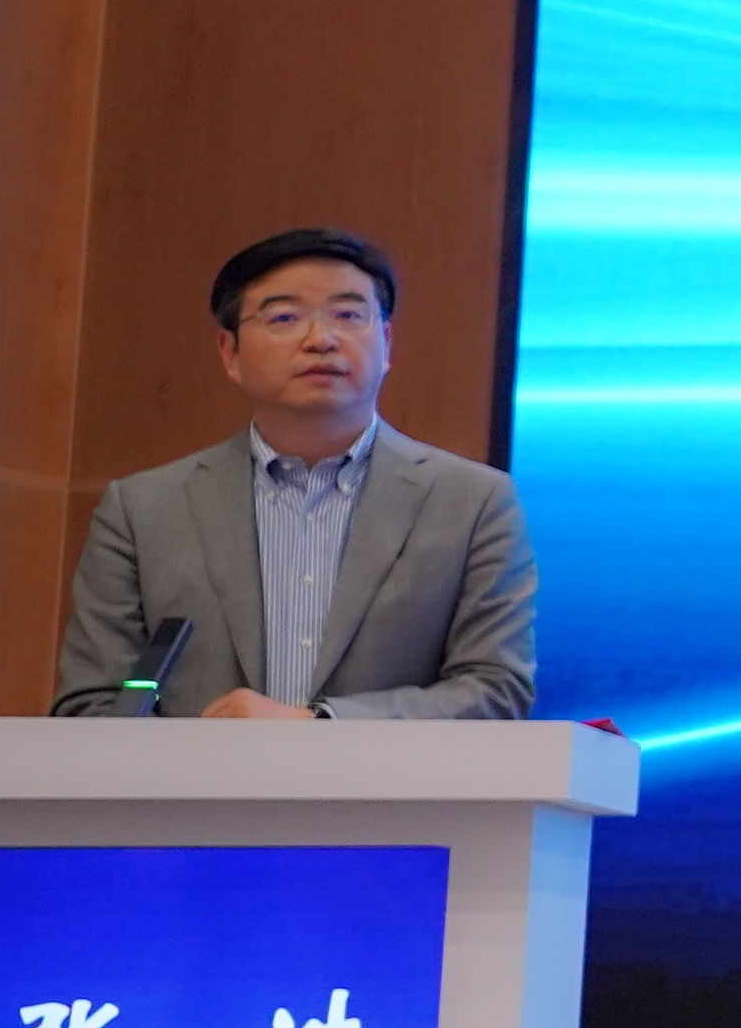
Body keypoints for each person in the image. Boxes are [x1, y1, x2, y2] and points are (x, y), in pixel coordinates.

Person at [57, 229, 535, 723]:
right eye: (284, 318)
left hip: (386, 777)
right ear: (229, 352)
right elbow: (91, 705)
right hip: (200, 777)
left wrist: (318, 725)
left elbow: (496, 689)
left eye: (349, 315)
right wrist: (203, 752)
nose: (321, 340)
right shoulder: (143, 510)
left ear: (387, 342)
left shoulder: (472, 502)